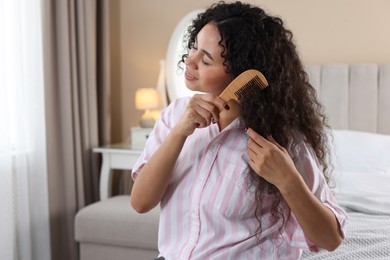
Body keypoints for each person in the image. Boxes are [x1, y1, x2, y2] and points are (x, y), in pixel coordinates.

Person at [130, 1, 347, 259]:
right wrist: (180, 132)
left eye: (206, 59)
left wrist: (288, 180)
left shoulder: (281, 141)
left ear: (241, 73)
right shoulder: (175, 116)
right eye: (194, 47)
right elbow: (141, 203)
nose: (190, 60)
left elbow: (330, 239)